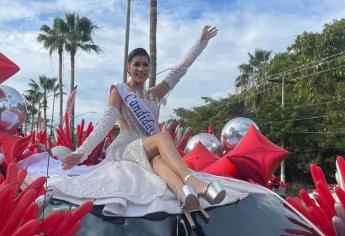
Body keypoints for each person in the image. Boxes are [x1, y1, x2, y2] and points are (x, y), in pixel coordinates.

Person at [19, 25, 244, 229]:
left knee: (158, 160)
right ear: (128, 67)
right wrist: (81, 152)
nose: (141, 68)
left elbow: (179, 70)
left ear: (149, 68)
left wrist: (201, 42)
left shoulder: (154, 94)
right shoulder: (119, 91)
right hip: (125, 146)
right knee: (164, 136)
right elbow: (106, 123)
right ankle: (193, 181)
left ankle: (183, 193)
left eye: (145, 65)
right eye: (136, 64)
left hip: (149, 145)